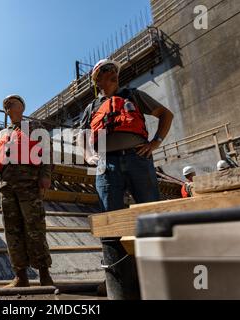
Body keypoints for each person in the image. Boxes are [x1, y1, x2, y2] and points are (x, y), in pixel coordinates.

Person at [79, 58, 174, 299]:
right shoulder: (91, 108)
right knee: (110, 221)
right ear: (97, 79)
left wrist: (155, 142)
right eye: (107, 72)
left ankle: (157, 281)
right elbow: (82, 136)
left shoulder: (133, 95)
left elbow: (166, 114)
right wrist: (89, 156)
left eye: (115, 72)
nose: (113, 74)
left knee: (150, 214)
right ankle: (119, 283)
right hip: (106, 164)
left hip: (138, 160)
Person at [0, 94, 54, 288]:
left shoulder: (35, 127)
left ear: (22, 107)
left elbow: (46, 152)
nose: (8, 104)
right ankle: (20, 276)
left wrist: (46, 175)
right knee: (12, 232)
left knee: (35, 229)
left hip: (30, 185)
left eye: (13, 101)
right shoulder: (1, 134)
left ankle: (44, 274)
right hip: (6, 188)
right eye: (5, 104)